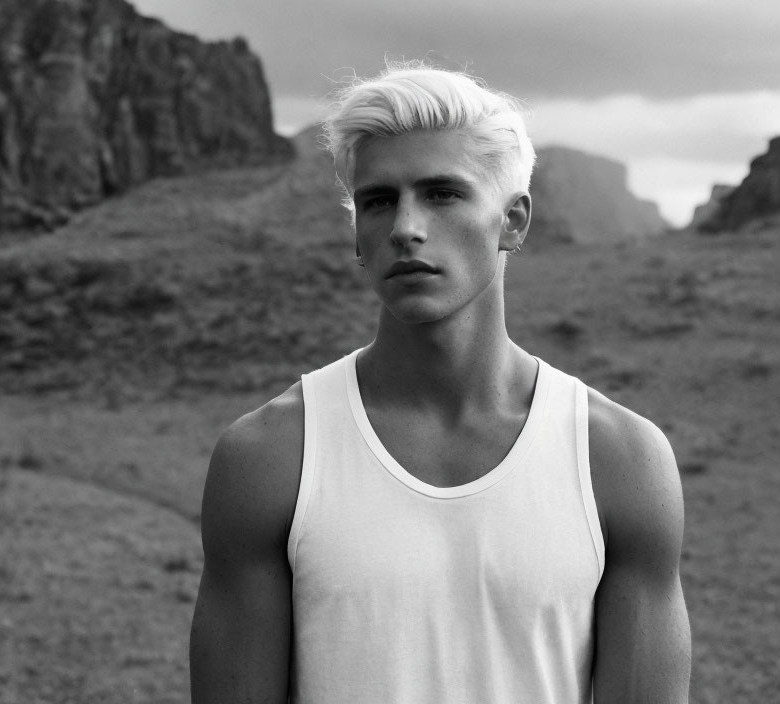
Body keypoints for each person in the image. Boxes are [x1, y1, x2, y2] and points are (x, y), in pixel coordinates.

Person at [190, 62, 691, 703]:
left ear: (513, 222)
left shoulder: (620, 460)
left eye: (443, 194)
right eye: (377, 200)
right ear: (356, 235)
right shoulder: (270, 456)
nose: (405, 227)